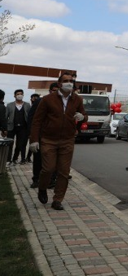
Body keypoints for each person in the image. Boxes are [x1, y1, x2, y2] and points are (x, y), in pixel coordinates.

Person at [29, 72, 87, 210]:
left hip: (67, 140)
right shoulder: (48, 99)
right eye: (66, 81)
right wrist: (34, 140)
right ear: (59, 84)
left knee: (63, 172)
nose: (69, 83)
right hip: (49, 139)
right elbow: (37, 121)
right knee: (48, 169)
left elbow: (84, 115)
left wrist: (82, 117)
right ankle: (42, 188)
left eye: (71, 81)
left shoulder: (77, 99)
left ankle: (57, 199)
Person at [29, 84, 58, 189]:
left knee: (54, 160)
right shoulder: (40, 101)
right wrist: (32, 136)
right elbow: (32, 119)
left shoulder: (62, 103)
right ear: (50, 91)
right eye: (54, 90)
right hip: (41, 136)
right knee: (38, 159)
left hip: (55, 137)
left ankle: (51, 180)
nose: (56, 92)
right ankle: (36, 179)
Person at [5, 88, 32, 164]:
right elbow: (6, 116)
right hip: (11, 127)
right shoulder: (9, 105)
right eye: (18, 94)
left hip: (23, 128)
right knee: (10, 144)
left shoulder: (27, 105)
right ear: (14, 95)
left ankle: (15, 158)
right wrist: (5, 128)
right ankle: (8, 159)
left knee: (19, 144)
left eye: (21, 94)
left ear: (23, 95)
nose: (19, 95)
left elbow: (29, 116)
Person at [25, 93, 40, 163]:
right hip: (28, 128)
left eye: (36, 98)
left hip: (36, 129)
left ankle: (29, 157)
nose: (35, 99)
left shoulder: (39, 107)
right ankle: (26, 157)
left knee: (33, 144)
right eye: (34, 98)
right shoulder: (29, 107)